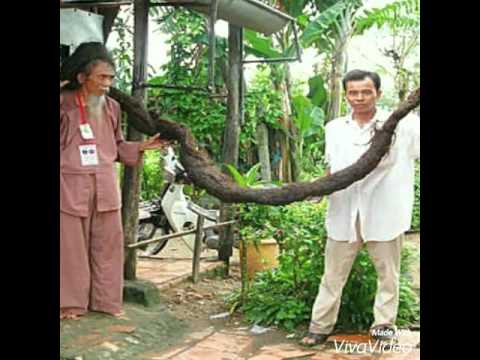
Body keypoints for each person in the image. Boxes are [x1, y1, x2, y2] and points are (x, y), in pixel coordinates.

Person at [300, 70, 420, 346]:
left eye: (366, 92)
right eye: (353, 92)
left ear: (378, 93)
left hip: (385, 211)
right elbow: (332, 168)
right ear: (346, 95)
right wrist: (315, 191)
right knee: (332, 275)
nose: (360, 98)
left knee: (388, 278)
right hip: (343, 212)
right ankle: (319, 327)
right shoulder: (334, 128)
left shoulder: (405, 124)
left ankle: (382, 331)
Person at [60, 42, 169, 320]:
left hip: (106, 184)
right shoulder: (63, 102)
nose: (107, 84)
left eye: (111, 78)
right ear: (82, 77)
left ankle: (107, 301)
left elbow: (118, 145)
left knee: (108, 245)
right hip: (70, 185)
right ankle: (71, 305)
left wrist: (143, 147)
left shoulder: (112, 107)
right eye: (102, 77)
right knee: (70, 248)